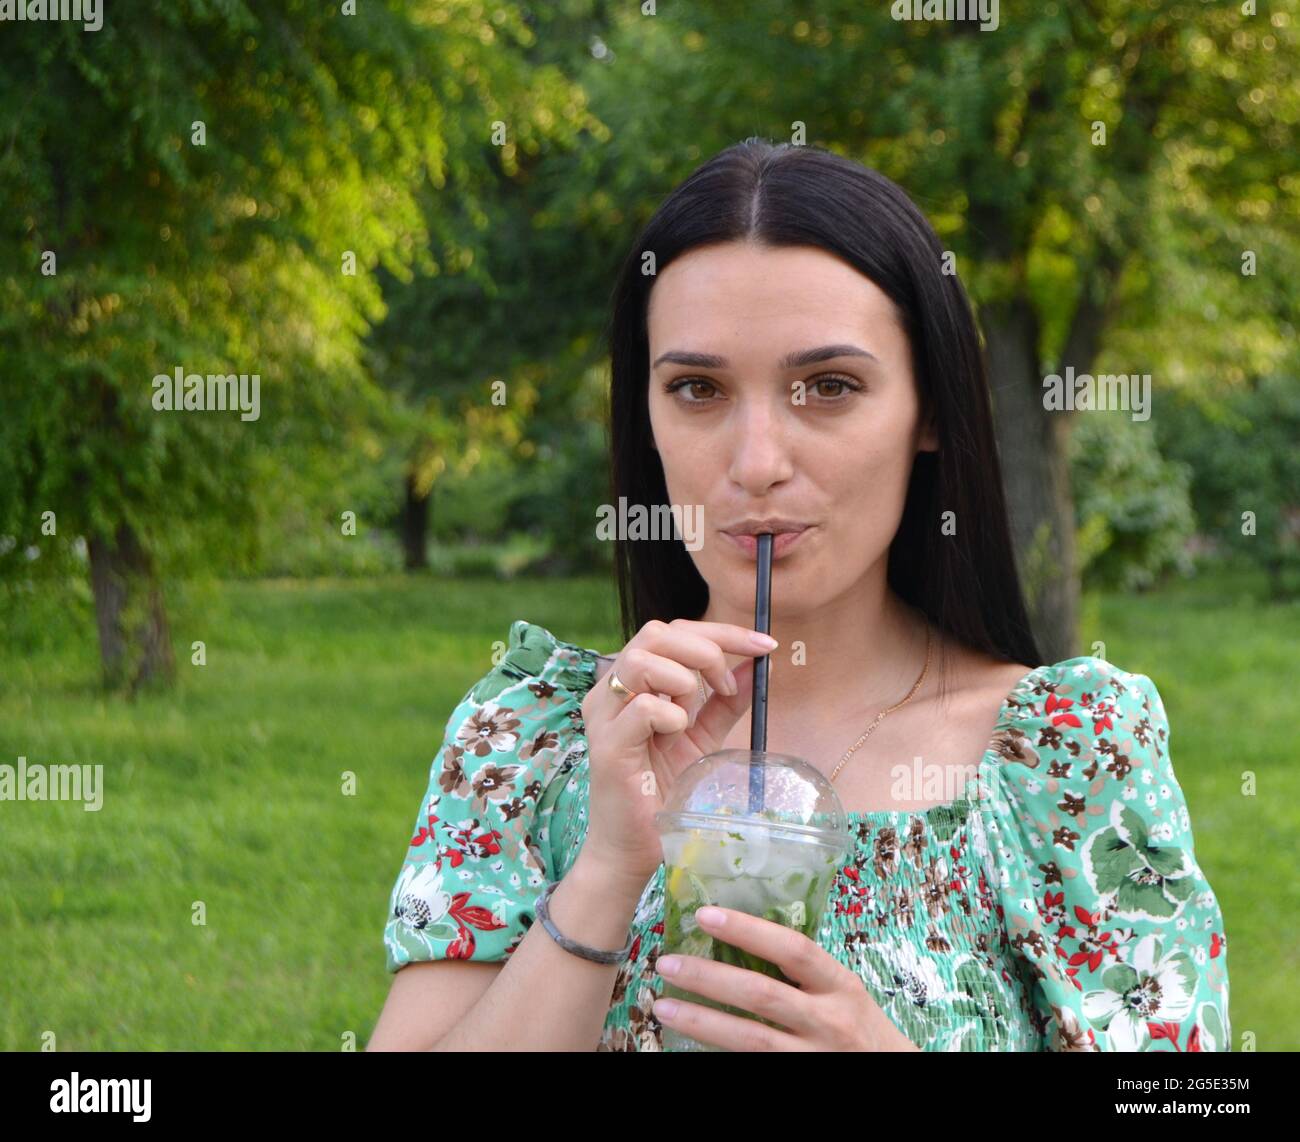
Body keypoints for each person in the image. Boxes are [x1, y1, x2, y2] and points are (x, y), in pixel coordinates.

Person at [367, 139, 1231, 1052]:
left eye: (828, 387)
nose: (756, 464)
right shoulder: (531, 741)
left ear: (930, 410)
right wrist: (608, 868)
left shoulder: (1070, 758)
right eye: (697, 388)